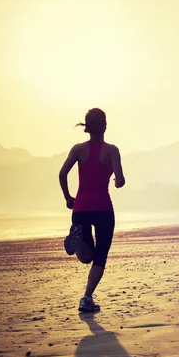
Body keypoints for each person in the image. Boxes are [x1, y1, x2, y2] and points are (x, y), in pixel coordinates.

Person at [58, 108, 125, 313]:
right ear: (105, 126)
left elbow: (62, 174)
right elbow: (120, 181)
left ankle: (77, 240)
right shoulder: (111, 150)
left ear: (87, 128)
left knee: (86, 257)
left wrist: (68, 198)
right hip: (103, 208)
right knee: (100, 256)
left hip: (81, 207)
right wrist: (116, 180)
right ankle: (86, 298)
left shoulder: (78, 149)